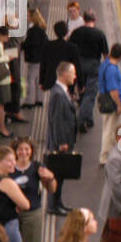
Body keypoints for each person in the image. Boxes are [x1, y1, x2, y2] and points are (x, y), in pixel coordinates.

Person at [12, 137, 57, 242]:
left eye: (27, 149)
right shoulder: (10, 168)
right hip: (13, 216)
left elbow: (52, 189)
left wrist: (50, 178)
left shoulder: (37, 167)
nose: (24, 153)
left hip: (32, 214)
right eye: (20, 150)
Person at [45, 60, 78, 214]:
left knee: (61, 174)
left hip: (64, 140)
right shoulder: (58, 93)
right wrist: (61, 142)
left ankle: (58, 202)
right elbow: (56, 120)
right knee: (56, 174)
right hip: (60, 143)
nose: (75, 76)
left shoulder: (61, 90)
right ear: (64, 74)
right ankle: (53, 206)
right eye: (73, 73)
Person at [69, 10, 109, 134]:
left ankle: (89, 119)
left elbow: (70, 48)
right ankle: (81, 119)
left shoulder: (76, 33)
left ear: (84, 19)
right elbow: (105, 54)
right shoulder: (99, 34)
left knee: (81, 90)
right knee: (90, 95)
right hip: (93, 65)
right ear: (95, 19)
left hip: (78, 65)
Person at [97, 43, 121, 164]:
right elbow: (113, 91)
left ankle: (112, 154)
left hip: (106, 102)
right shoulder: (112, 70)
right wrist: (119, 105)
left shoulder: (106, 63)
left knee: (111, 129)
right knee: (109, 131)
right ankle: (105, 157)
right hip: (111, 104)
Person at [38, 20, 79, 96]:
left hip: (51, 78)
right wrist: (80, 83)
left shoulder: (48, 46)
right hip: (67, 77)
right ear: (66, 32)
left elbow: (43, 64)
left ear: (55, 32)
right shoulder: (72, 48)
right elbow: (77, 66)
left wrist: (41, 81)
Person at [21, 9, 49, 107]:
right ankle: (39, 100)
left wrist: (21, 46)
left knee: (31, 79)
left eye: (28, 16)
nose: (27, 18)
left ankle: (30, 101)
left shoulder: (33, 30)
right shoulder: (42, 28)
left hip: (34, 58)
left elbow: (30, 43)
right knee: (38, 79)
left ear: (33, 17)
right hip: (41, 58)